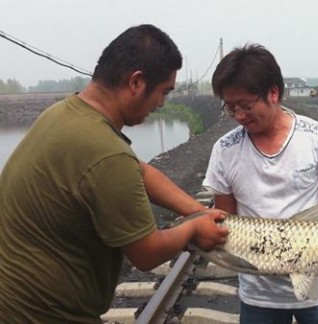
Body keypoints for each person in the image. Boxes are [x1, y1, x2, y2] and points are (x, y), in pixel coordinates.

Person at [0, 24, 228, 323]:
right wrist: (194, 229)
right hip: (43, 314)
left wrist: (197, 211)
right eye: (163, 92)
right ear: (136, 82)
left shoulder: (65, 114)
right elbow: (146, 253)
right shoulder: (106, 152)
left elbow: (138, 170)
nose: (162, 103)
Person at [203, 43, 318, 324]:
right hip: (259, 296)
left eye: (246, 105)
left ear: (273, 93)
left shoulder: (317, 138)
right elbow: (224, 220)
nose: (238, 115)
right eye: (230, 107)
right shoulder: (224, 150)